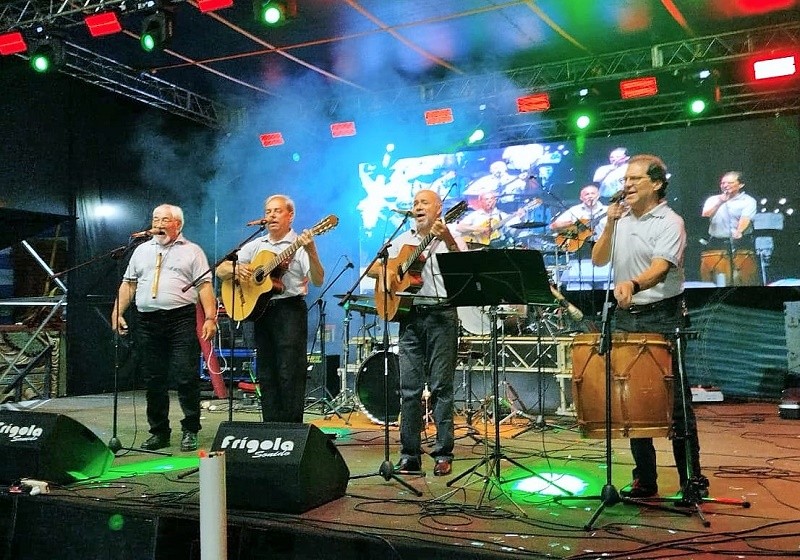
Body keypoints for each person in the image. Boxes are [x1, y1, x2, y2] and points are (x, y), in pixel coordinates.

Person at [592, 154, 708, 499]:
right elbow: (599, 258)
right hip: (628, 316)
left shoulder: (670, 221)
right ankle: (645, 479)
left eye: (634, 179)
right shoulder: (621, 218)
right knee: (633, 399)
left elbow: (660, 269)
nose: (626, 185)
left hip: (663, 314)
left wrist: (634, 285)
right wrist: (610, 224)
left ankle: (691, 480)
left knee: (675, 402)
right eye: (624, 180)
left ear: (656, 183)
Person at [369, 189, 467, 476]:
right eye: (415, 203)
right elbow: (374, 267)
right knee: (409, 390)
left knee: (441, 388)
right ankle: (409, 454)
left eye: (424, 203)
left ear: (439, 209)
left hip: (441, 315)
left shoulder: (452, 234)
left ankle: (443, 453)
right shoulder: (403, 240)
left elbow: (462, 265)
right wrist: (388, 274)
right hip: (409, 317)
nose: (418, 206)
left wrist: (446, 237)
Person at [111, 204, 218, 452]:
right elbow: (128, 285)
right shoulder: (140, 251)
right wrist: (117, 311)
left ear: (178, 225)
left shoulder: (192, 251)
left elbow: (204, 287)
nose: (158, 224)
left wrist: (210, 318)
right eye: (155, 219)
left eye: (165, 220)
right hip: (147, 320)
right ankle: (159, 432)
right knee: (154, 378)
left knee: (185, 374)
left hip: (180, 318)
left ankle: (190, 428)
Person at [216, 195, 324, 423]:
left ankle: (291, 429)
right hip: (262, 312)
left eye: (277, 211)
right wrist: (236, 271)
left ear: (290, 215)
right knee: (266, 372)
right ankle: (271, 426)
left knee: (290, 371)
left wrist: (312, 250)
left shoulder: (300, 244)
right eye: (268, 211)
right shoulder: (257, 245)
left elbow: (317, 279)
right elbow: (220, 269)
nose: (271, 215)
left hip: (289, 310)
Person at [700, 171, 758, 285]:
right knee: (718, 277)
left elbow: (745, 218)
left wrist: (739, 231)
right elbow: (706, 214)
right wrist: (720, 202)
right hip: (717, 242)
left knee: (741, 279)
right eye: (723, 183)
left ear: (740, 185)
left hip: (740, 242)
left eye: (730, 183)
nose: (725, 185)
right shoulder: (713, 199)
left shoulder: (749, 200)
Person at [550, 184, 609, 288]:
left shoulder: (608, 210)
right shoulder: (575, 210)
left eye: (592, 193)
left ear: (598, 195)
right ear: (581, 198)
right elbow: (554, 225)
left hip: (603, 247)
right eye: (586, 194)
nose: (590, 196)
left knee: (604, 280)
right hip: (582, 250)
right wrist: (575, 223)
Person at [456, 190, 522, 248]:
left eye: (492, 199)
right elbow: (459, 227)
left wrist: (519, 216)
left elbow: (515, 224)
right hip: (478, 248)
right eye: (486, 199)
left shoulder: (501, 215)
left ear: (495, 201)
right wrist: (480, 229)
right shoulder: (475, 215)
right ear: (481, 202)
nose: (490, 201)